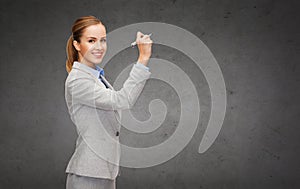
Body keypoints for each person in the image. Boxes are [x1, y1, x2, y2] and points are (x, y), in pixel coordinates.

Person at [64, 15, 152, 189]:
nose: (99, 47)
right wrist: (142, 59)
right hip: (88, 174)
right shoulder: (78, 81)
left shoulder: (96, 77)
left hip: (103, 171)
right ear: (77, 44)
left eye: (103, 40)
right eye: (91, 40)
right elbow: (123, 99)